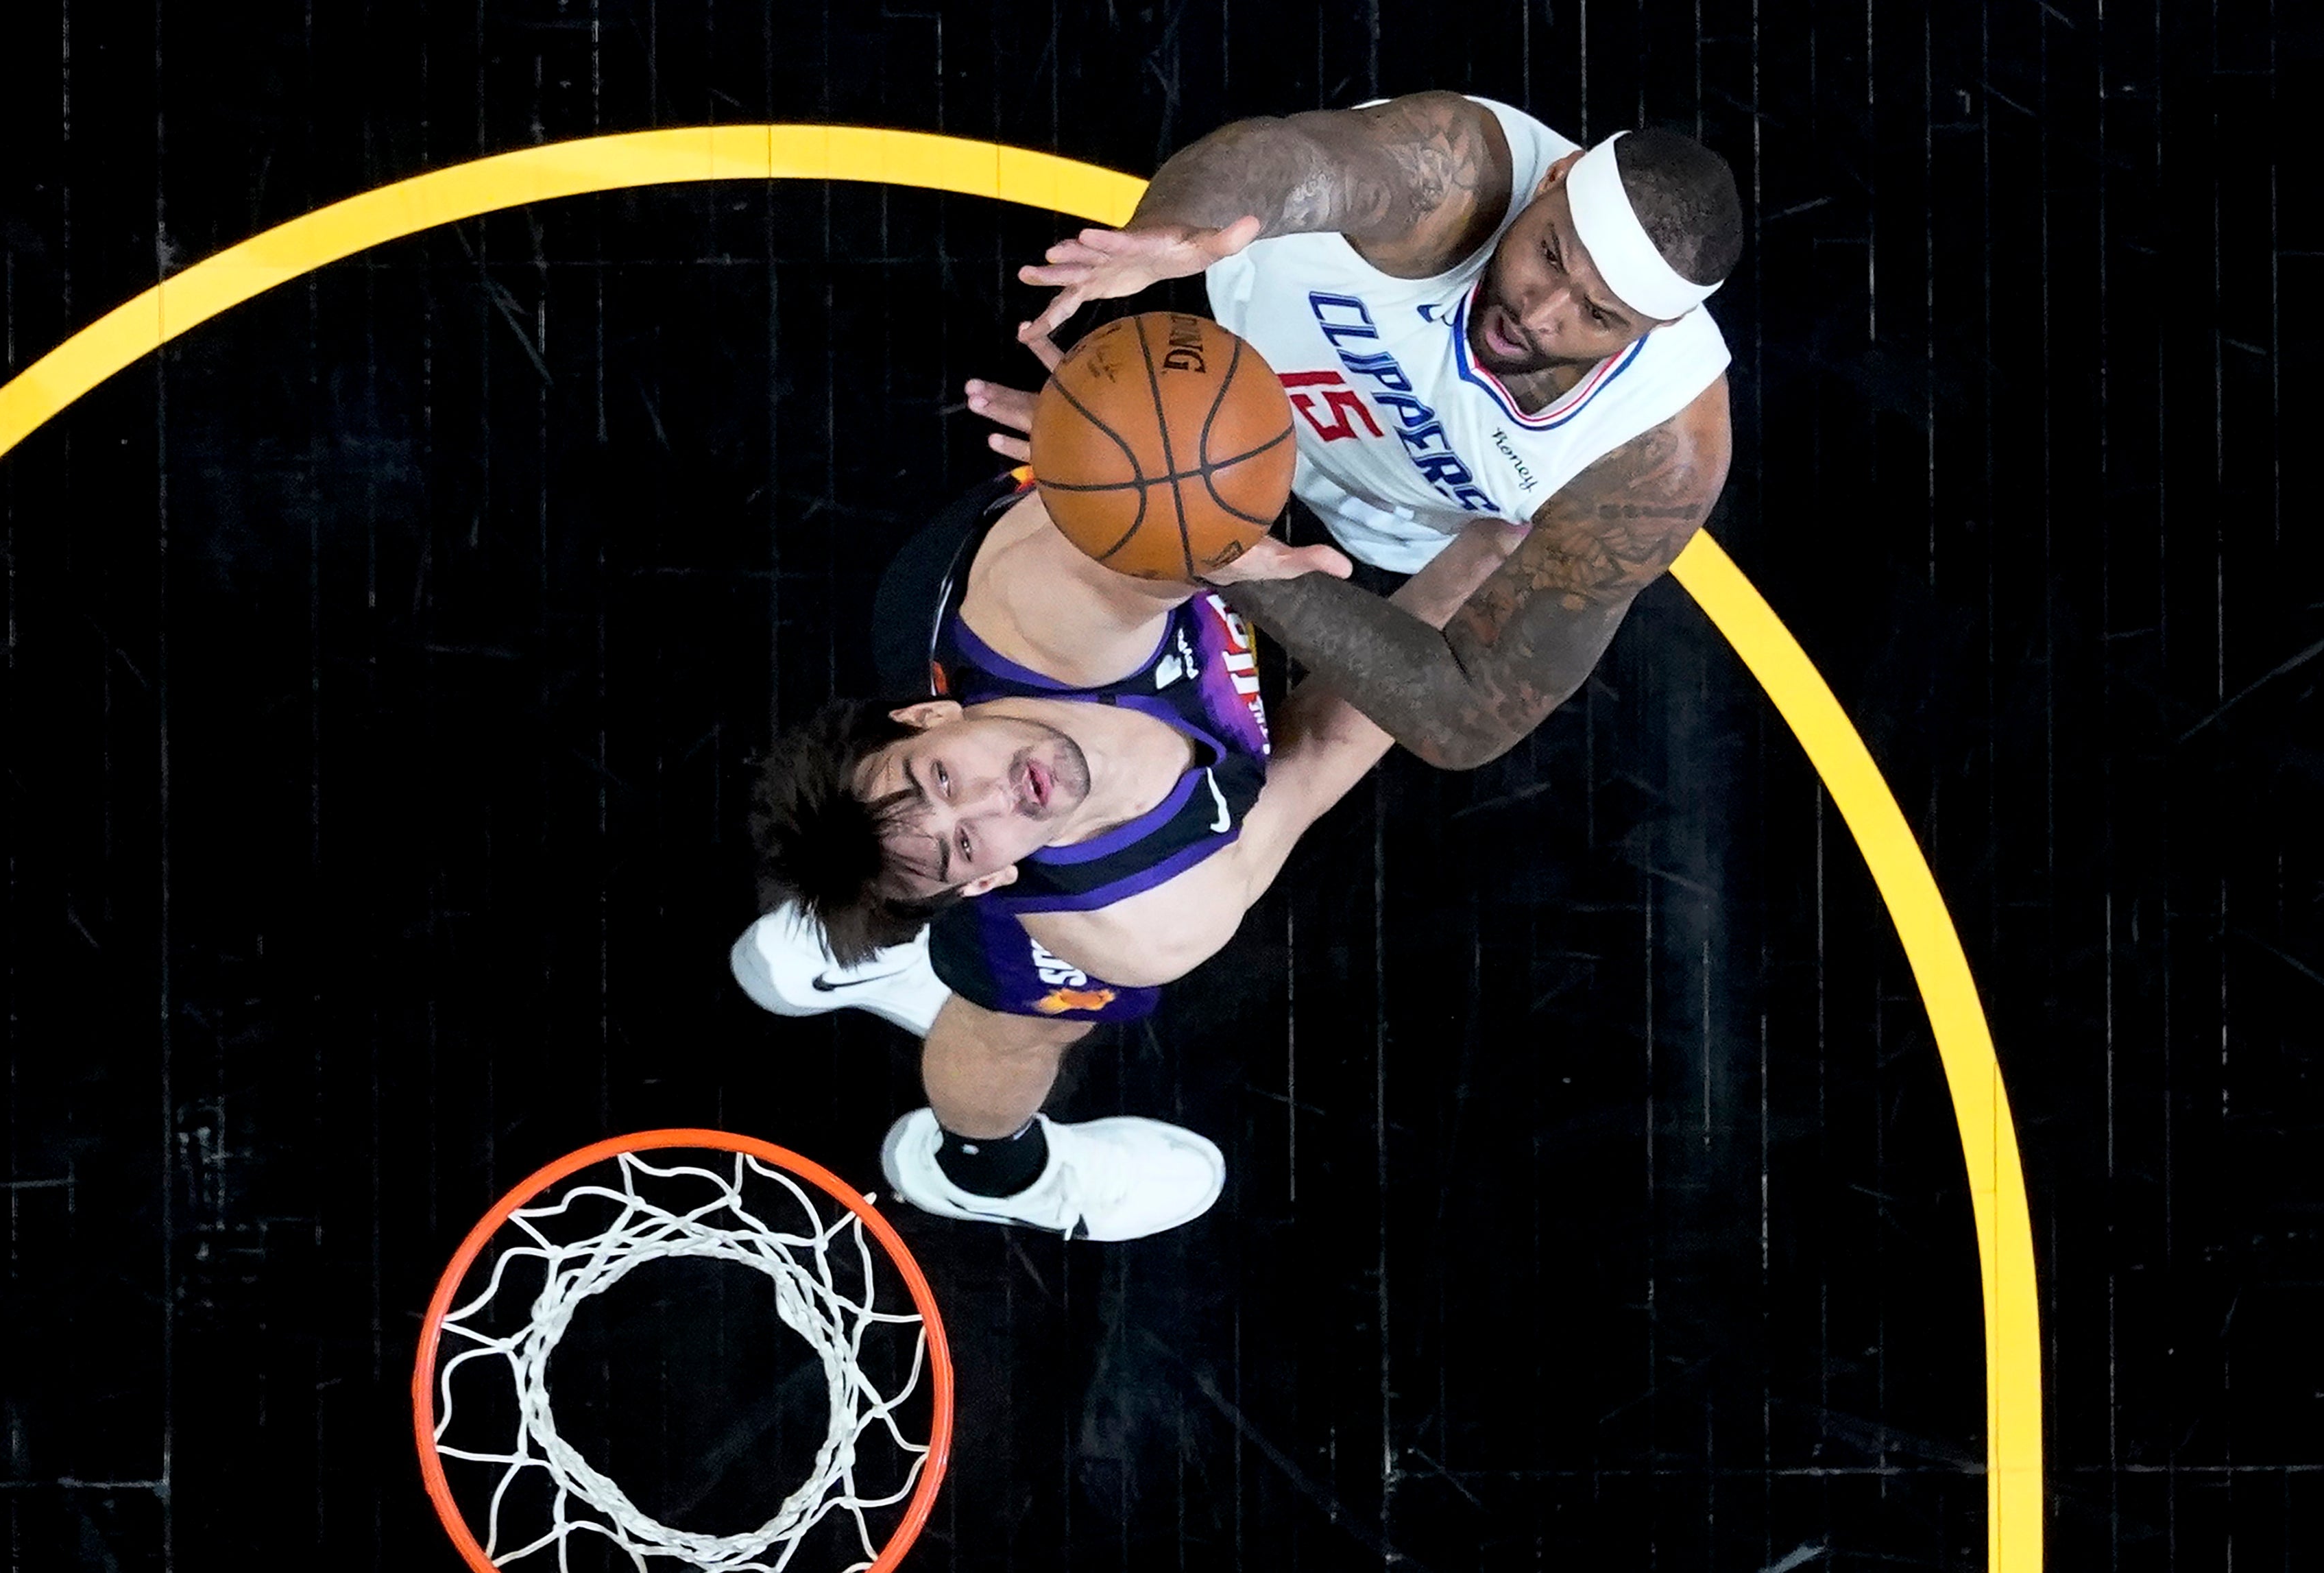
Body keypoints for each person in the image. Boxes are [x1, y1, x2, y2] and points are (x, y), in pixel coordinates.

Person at [734, 464, 1508, 1241]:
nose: (995, 794)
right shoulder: (1143, 919)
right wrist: (1483, 556)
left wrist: (1152, 476)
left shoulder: (1049, 609)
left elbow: (1154, 534)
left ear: (931, 713)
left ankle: (875, 918)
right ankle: (982, 1171)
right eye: (963, 841)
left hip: (1010, 569)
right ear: (992, 879)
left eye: (941, 775)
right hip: (1061, 887)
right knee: (1028, 1026)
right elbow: (1320, 753)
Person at [971, 91, 1742, 769]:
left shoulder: (1658, 455)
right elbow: (1281, 157)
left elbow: (1467, 715)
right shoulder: (1457, 174)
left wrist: (1215, 539)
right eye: (1549, 255)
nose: (1540, 314)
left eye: (1598, 315)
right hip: (1214, 353)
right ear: (1555, 176)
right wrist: (1182, 224)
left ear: (1662, 325)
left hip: (1372, 538)